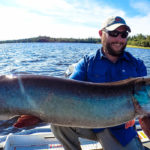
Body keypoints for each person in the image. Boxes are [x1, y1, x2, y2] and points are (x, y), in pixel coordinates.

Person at [14, 16, 148, 150]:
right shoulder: (88, 62)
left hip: (120, 131)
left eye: (123, 35)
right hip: (89, 123)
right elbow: (66, 91)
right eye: (114, 33)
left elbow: (144, 113)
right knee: (58, 122)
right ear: (101, 34)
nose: (119, 39)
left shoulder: (137, 65)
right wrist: (39, 111)